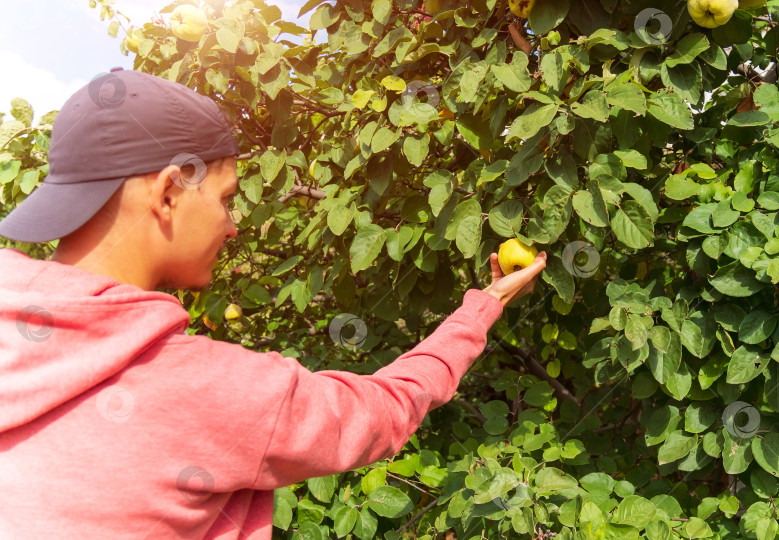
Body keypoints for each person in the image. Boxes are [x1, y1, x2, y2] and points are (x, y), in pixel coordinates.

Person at [0, 68, 547, 539]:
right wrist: (484, 305)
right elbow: (383, 410)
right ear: (168, 194)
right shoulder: (207, 391)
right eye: (225, 199)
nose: (234, 227)